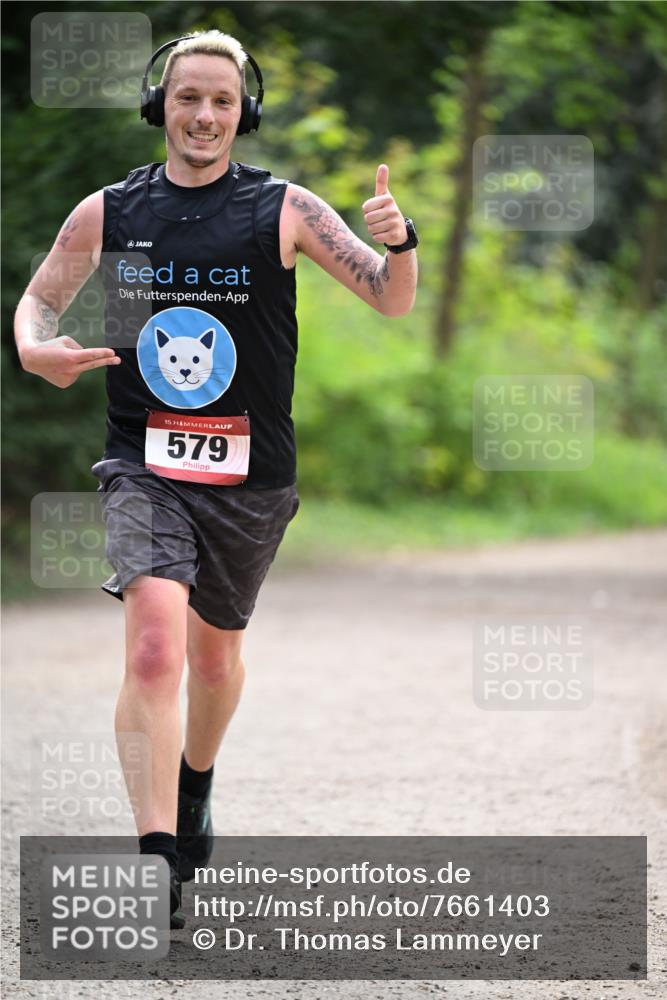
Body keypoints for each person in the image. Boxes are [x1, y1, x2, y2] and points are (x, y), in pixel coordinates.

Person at [14, 30, 418, 928]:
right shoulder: (111, 213)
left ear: (245, 113)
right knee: (155, 645)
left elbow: (391, 297)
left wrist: (404, 241)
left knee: (215, 655)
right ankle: (157, 859)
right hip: (143, 456)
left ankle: (196, 782)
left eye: (222, 102)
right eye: (188, 97)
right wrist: (35, 348)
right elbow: (41, 297)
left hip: (250, 473)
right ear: (161, 105)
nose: (204, 116)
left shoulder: (284, 210)